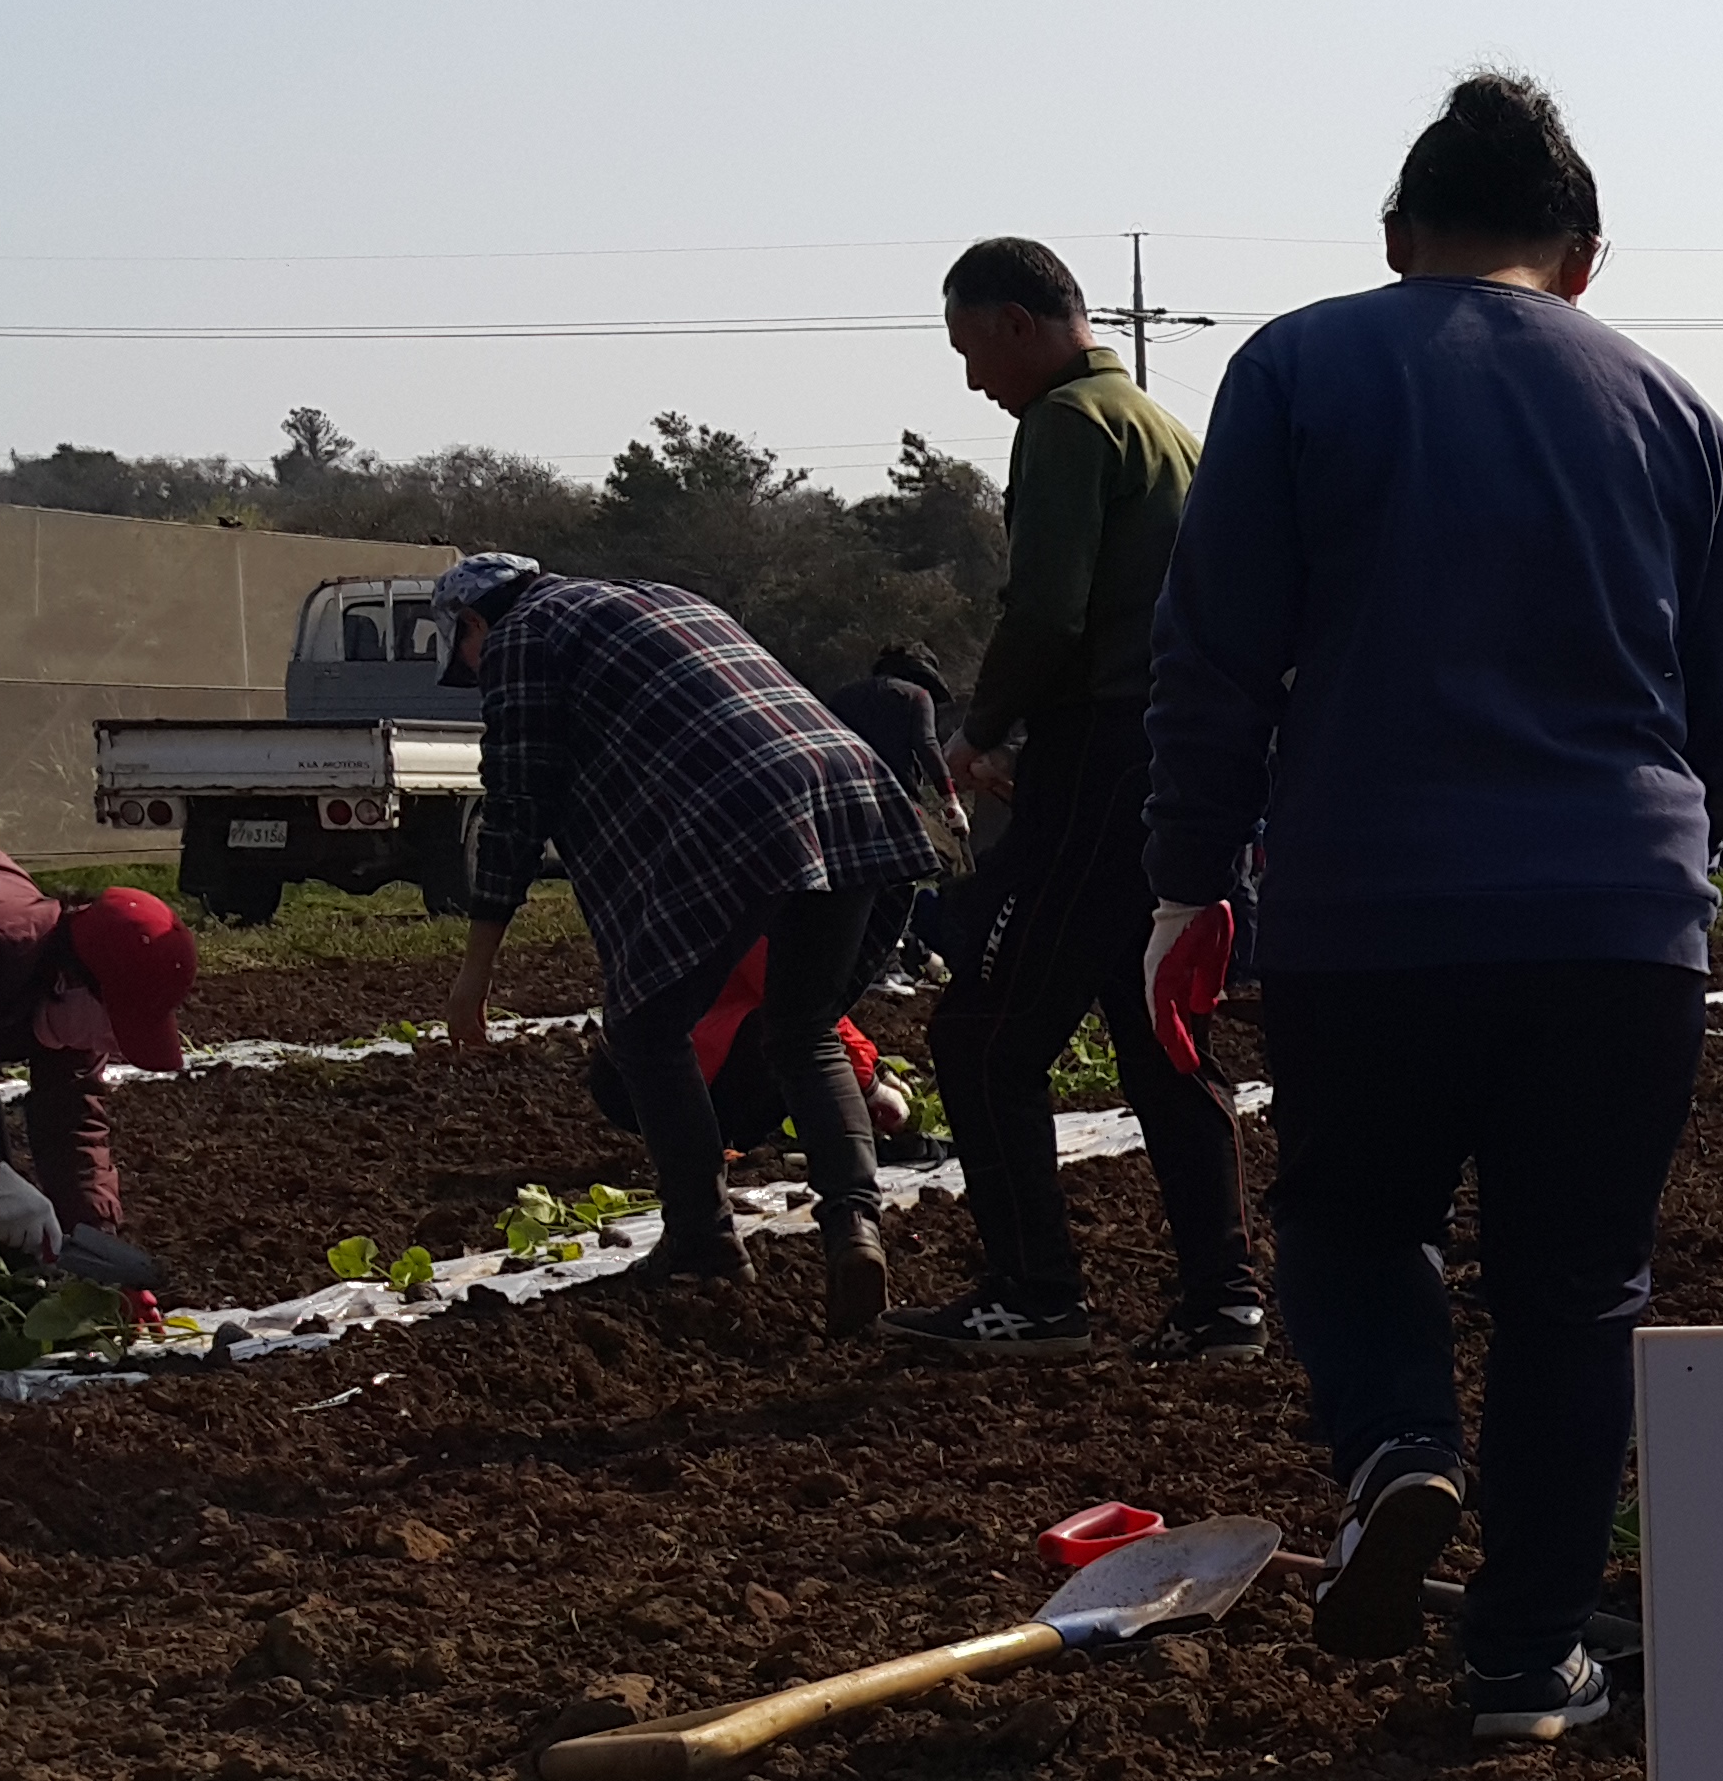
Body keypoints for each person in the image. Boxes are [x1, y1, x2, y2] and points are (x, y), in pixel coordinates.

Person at [1147, 72, 1723, 1742]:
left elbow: (1213, 657)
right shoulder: (1669, 408)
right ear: (1583, 257)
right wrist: (1657, 854)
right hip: (1617, 917)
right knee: (1578, 1288)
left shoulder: (1296, 366)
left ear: (1393, 237)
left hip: (1372, 900)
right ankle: (1523, 1656)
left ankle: (1397, 1448)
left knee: (1354, 1218)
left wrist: (1187, 876)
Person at [897, 237, 1264, 1365]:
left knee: (978, 1036)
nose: (974, 382)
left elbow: (1049, 613)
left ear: (1017, 322)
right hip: (1179, 760)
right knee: (1157, 1032)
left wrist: (977, 733)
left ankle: (1035, 1293)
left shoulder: (1063, 423)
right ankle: (1223, 1299)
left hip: (1102, 763)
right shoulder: (1163, 428)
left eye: (972, 352)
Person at [440, 555, 933, 1335]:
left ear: (472, 625)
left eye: (464, 653)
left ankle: (703, 1239)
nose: (475, 670)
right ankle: (854, 1231)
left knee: (643, 1031)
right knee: (802, 1027)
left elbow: (517, 798)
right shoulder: (659, 595)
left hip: (744, 810)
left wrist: (475, 973)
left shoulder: (521, 635)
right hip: (848, 786)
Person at [0, 838, 195, 1277]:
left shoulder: (63, 981)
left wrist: (96, 1248)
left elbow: (71, 1115)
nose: (116, 1043)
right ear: (68, 982)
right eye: (115, 1021)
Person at [583, 947, 917, 1159]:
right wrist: (868, 1083)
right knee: (789, 1037)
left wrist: (874, 1070)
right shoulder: (752, 892)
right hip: (661, 1078)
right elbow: (796, 1000)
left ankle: (721, 1142)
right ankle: (726, 1144)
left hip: (627, 1060)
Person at [837, 643, 964, 987]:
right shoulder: (916, 697)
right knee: (911, 877)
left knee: (855, 886)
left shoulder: (844, 696)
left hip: (841, 801)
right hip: (894, 803)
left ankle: (853, 965)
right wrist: (951, 801)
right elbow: (927, 747)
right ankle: (885, 966)